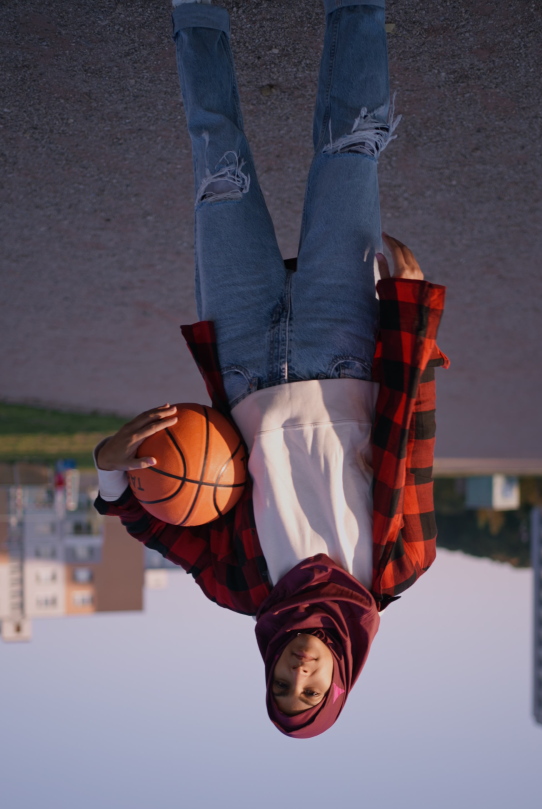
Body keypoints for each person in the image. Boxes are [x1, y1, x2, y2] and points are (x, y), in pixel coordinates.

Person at [94, 0, 449, 738]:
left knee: (215, 160)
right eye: (310, 685)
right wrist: (409, 316)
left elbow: (155, 525)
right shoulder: (399, 564)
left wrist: (107, 468)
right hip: (345, 339)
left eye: (282, 681)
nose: (298, 668)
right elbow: (409, 435)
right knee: (350, 148)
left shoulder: (242, 587)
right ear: (339, 678)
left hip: (245, 357)